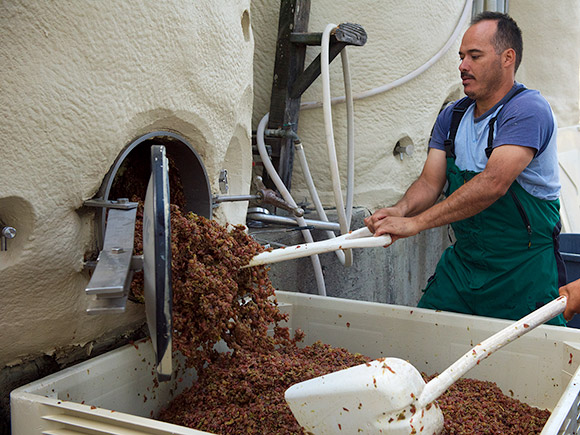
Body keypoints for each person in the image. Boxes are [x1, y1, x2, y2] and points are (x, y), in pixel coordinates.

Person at [365, 11, 567, 326]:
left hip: (522, 274)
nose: (462, 66)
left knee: (530, 366)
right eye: (461, 57)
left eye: (474, 56)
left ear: (507, 58)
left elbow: (492, 184)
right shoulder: (452, 117)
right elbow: (430, 184)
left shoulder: (528, 110)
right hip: (464, 269)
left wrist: (416, 224)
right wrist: (399, 211)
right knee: (420, 343)